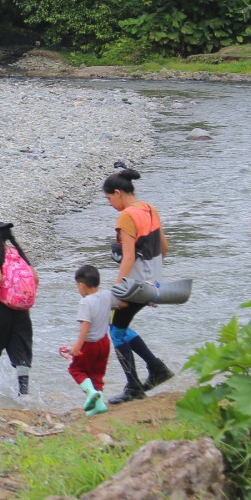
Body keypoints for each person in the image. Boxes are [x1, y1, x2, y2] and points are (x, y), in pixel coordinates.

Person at [101, 167, 174, 404]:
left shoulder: (126, 216)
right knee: (120, 328)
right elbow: (164, 248)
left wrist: (118, 289)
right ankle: (156, 368)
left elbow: (129, 257)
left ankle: (134, 386)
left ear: (118, 192)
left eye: (109, 199)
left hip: (135, 284)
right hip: (153, 282)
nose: (110, 204)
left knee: (115, 330)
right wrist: (152, 279)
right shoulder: (150, 209)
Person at [0, 218, 35, 396]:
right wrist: (26, 303)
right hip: (20, 310)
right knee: (21, 352)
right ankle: (23, 391)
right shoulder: (16, 252)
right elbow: (35, 277)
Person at [65, 264, 112, 415]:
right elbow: (118, 305)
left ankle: (91, 393)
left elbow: (86, 325)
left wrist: (77, 347)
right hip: (104, 342)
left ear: (81, 285)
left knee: (76, 370)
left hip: (89, 344)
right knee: (97, 374)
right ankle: (99, 405)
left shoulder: (85, 302)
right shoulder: (107, 295)